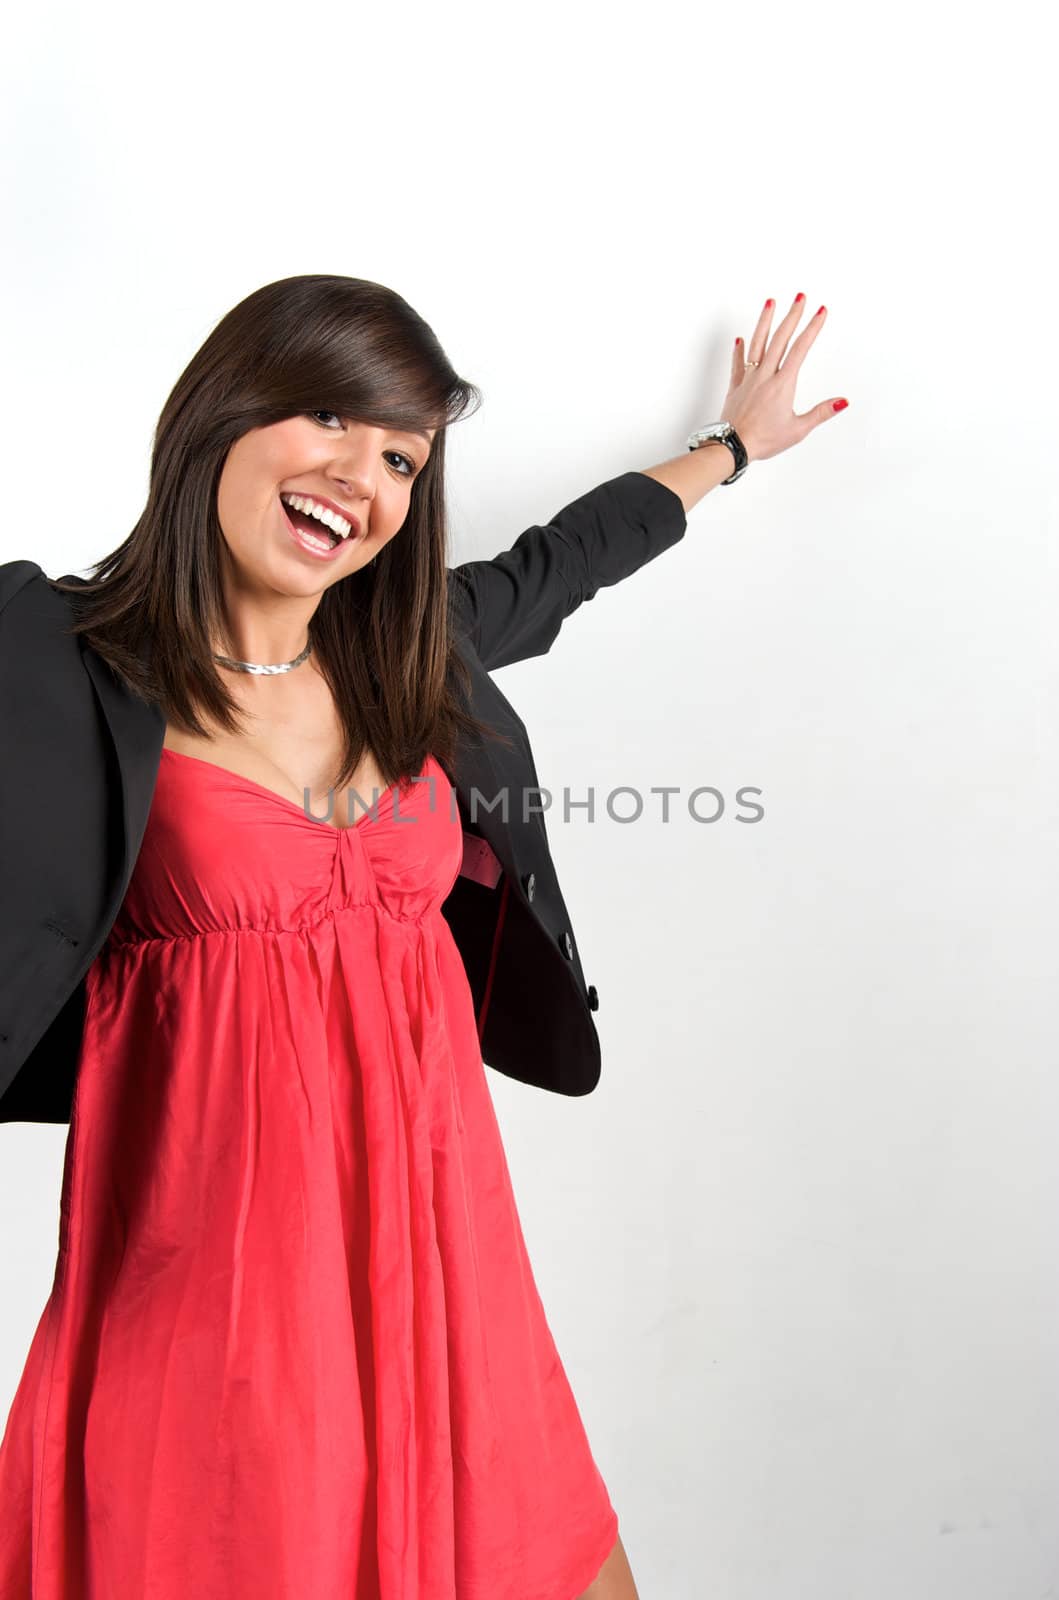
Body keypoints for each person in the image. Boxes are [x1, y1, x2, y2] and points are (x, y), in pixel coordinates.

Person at [0, 276, 845, 1598]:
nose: (362, 474)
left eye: (401, 456)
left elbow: (566, 559)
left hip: (440, 1273)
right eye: (327, 414)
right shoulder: (52, 661)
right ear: (222, 414)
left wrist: (730, 449)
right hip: (211, 1302)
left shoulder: (416, 652)